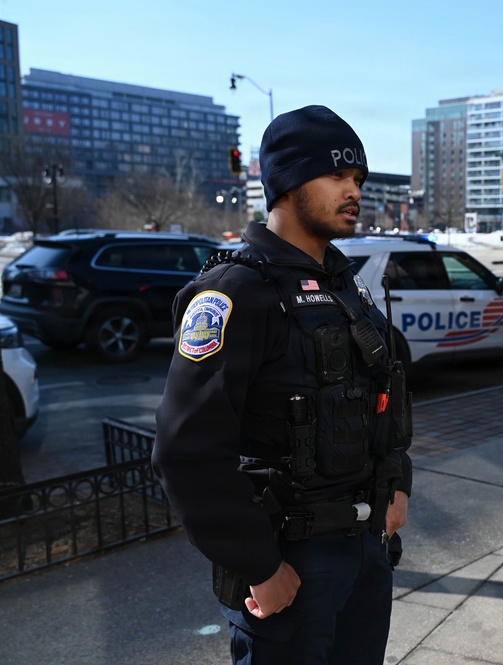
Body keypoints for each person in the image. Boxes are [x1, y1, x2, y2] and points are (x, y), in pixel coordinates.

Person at [152, 105, 412, 665]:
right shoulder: (236, 293)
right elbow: (187, 451)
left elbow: (387, 390)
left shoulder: (343, 284)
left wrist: (398, 483)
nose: (354, 191)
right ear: (287, 185)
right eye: (337, 176)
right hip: (290, 560)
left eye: (358, 180)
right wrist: (259, 566)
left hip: (364, 549)